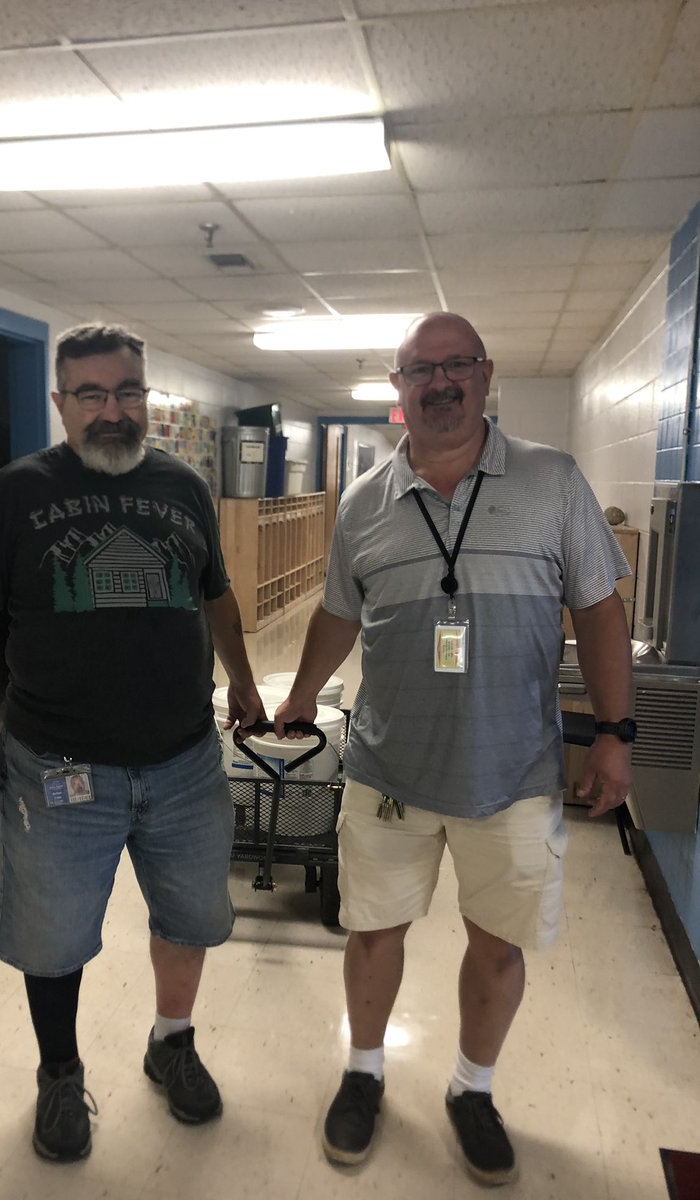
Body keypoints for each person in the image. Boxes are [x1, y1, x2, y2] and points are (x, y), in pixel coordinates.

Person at [274, 312, 634, 1185]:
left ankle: (473, 1089)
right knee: (371, 930)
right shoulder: (363, 504)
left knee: (497, 945)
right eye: (419, 370)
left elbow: (599, 610)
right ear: (398, 390)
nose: (439, 383)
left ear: (486, 375)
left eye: (457, 366)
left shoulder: (552, 482)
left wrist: (617, 736)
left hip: (512, 774)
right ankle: (363, 1073)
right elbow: (337, 612)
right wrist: (294, 695)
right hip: (389, 769)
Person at [0, 323, 265, 1163]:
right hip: (58, 765)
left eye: (127, 393)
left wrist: (249, 683)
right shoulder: (15, 493)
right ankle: (58, 1074)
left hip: (186, 758)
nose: (111, 410)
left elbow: (217, 598)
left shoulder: (186, 487)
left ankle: (172, 1042)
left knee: (190, 917)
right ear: (61, 402)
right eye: (91, 394)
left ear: (145, 398)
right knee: (51, 934)